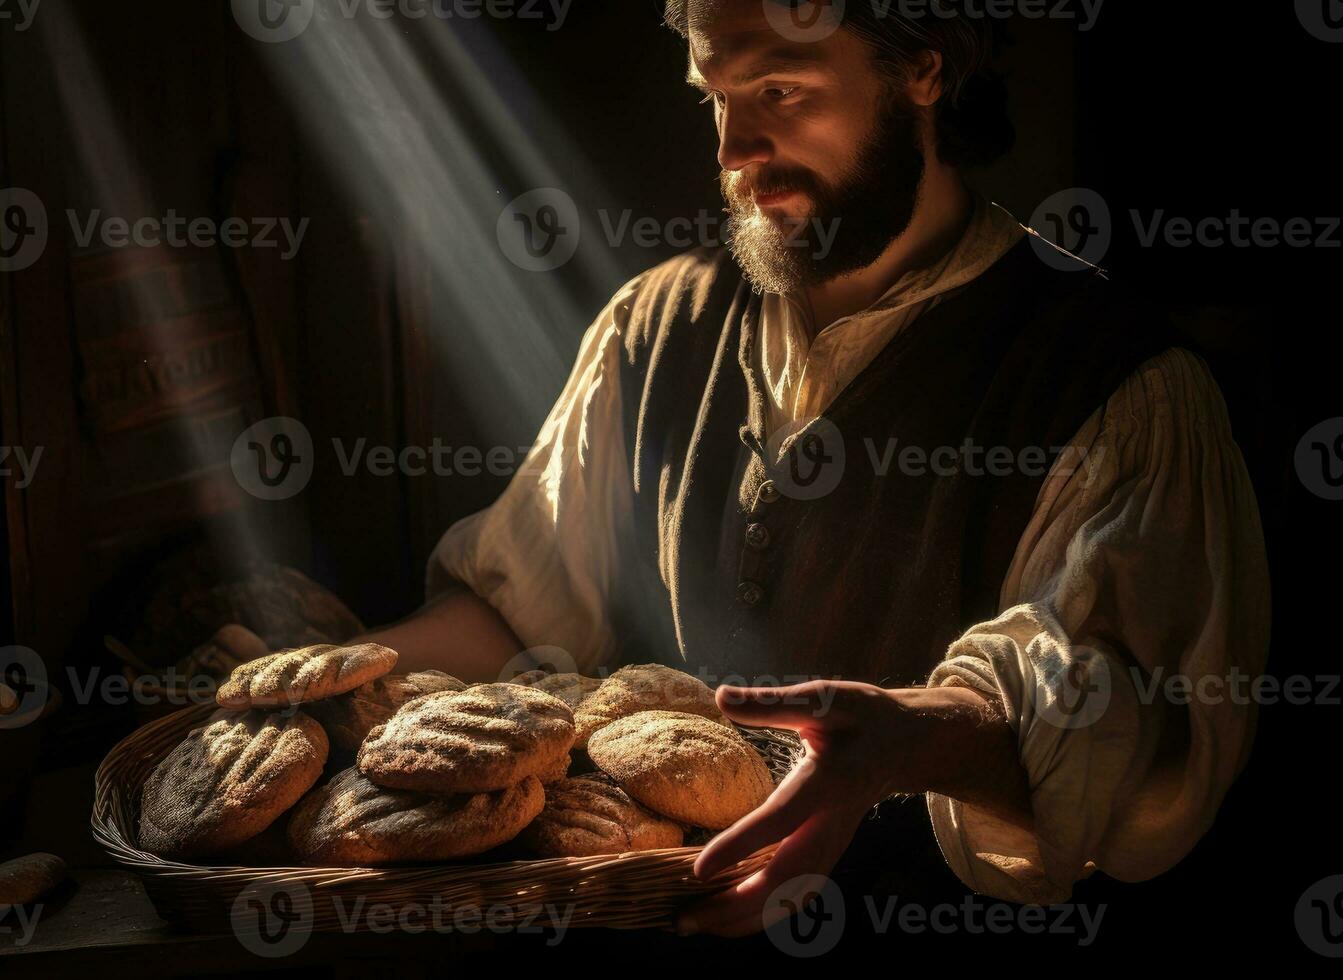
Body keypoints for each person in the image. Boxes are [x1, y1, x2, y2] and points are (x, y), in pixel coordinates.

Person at [360, 0, 1270, 938]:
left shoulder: (1112, 380)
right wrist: (326, 676)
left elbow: (1143, 753)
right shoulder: (653, 329)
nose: (733, 148)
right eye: (715, 96)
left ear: (921, 69)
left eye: (779, 90)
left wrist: (919, 742)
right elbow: (519, 602)